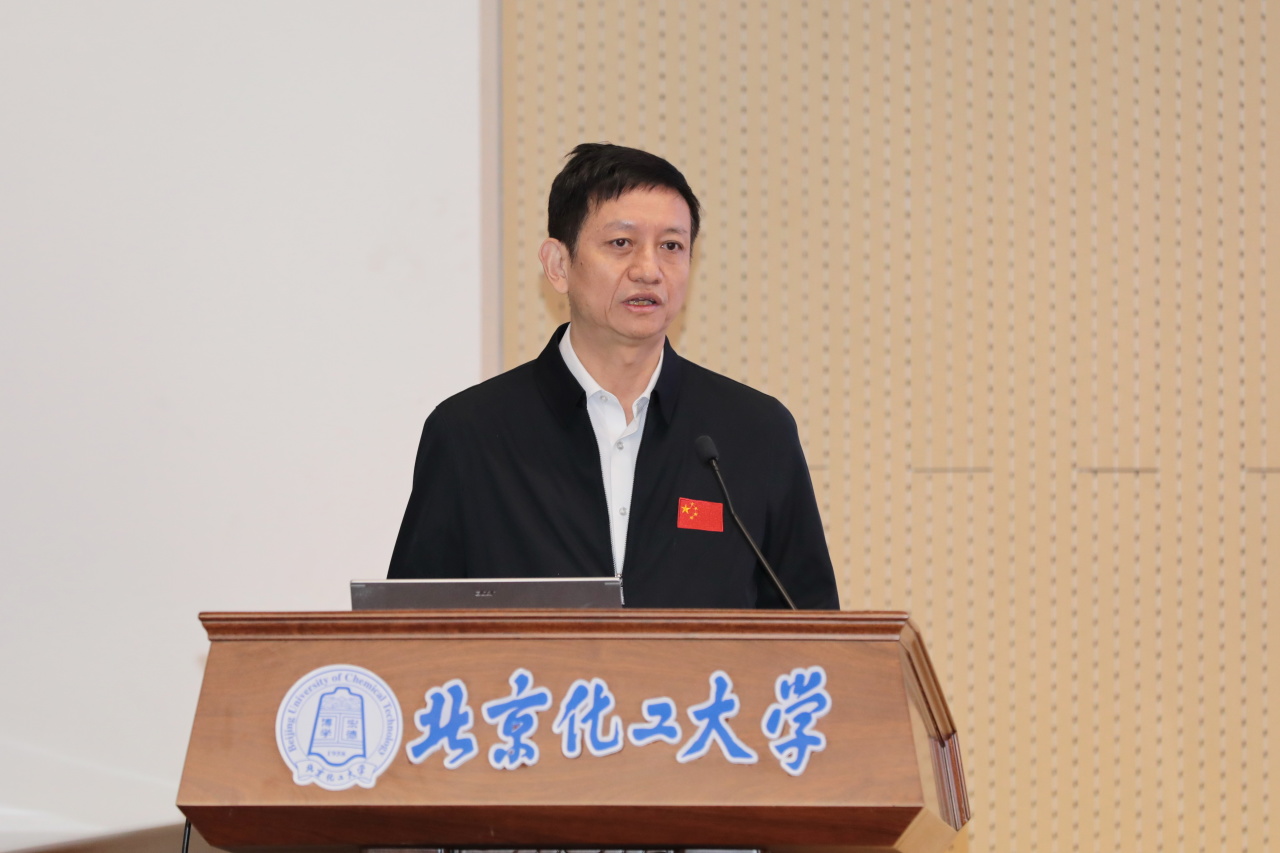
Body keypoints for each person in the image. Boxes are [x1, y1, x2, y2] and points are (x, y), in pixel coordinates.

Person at [389, 143, 838, 609]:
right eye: (621, 243)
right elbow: (410, 627)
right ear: (558, 265)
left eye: (671, 246)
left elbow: (814, 632)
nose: (649, 270)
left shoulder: (753, 433)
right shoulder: (471, 433)